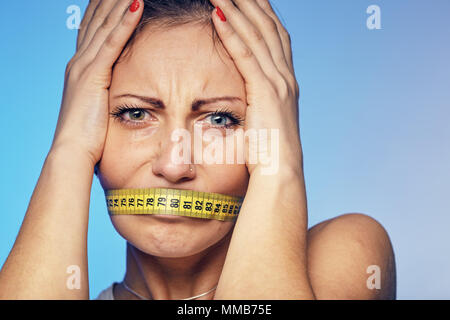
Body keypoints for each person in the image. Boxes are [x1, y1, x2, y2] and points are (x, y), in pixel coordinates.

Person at [0, 0, 396, 300]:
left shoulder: (345, 255)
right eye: (135, 113)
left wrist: (279, 166)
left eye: (221, 120)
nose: (175, 166)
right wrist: (68, 151)